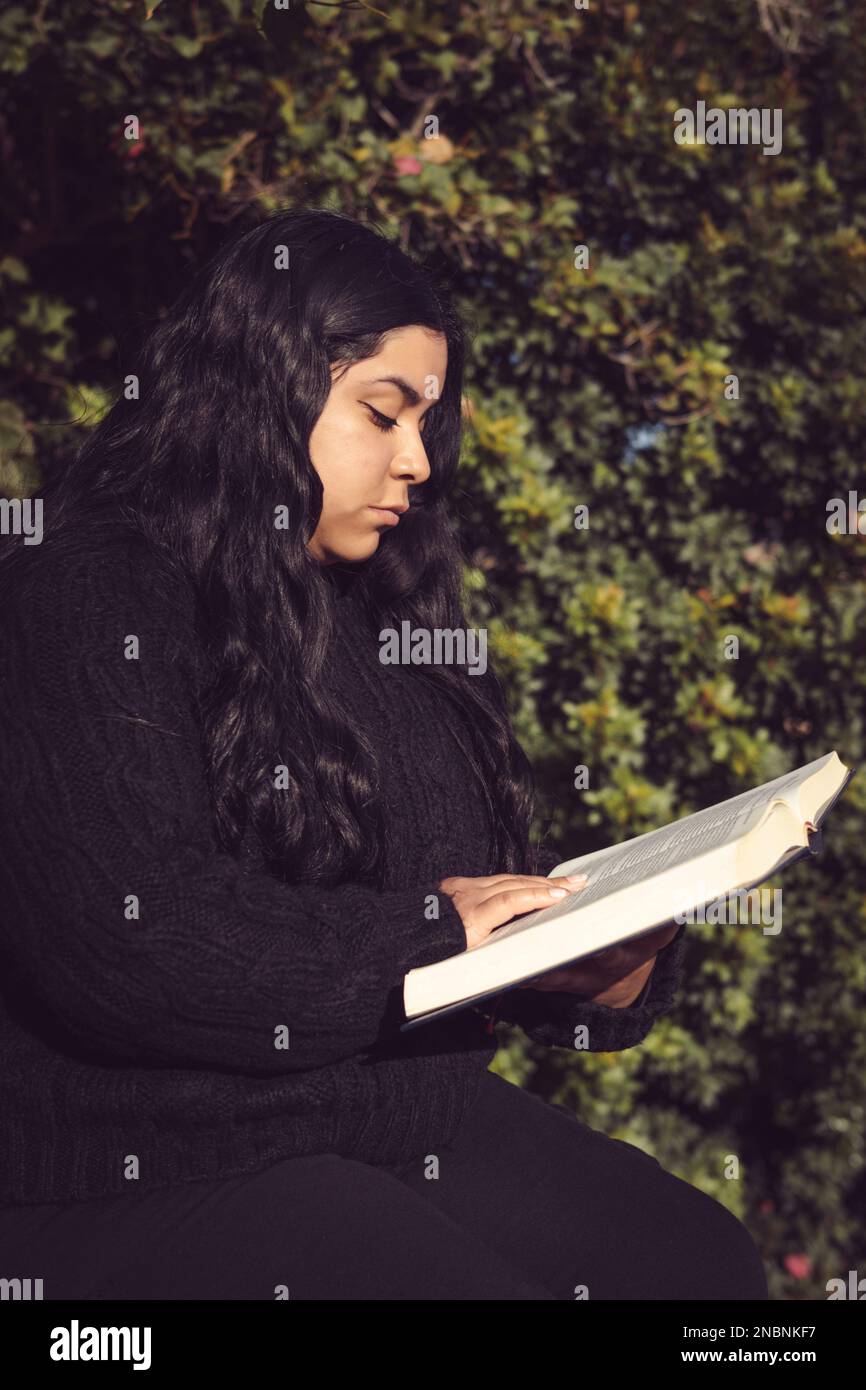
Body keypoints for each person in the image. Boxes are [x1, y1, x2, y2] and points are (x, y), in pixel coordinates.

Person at [0, 207, 768, 1300]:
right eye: (382, 411)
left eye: (427, 420)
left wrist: (588, 967)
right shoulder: (87, 590)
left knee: (699, 1268)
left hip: (388, 1115)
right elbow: (128, 938)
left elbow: (455, 902)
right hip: (150, 1148)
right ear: (258, 384)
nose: (415, 460)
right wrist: (427, 933)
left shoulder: (375, 612)